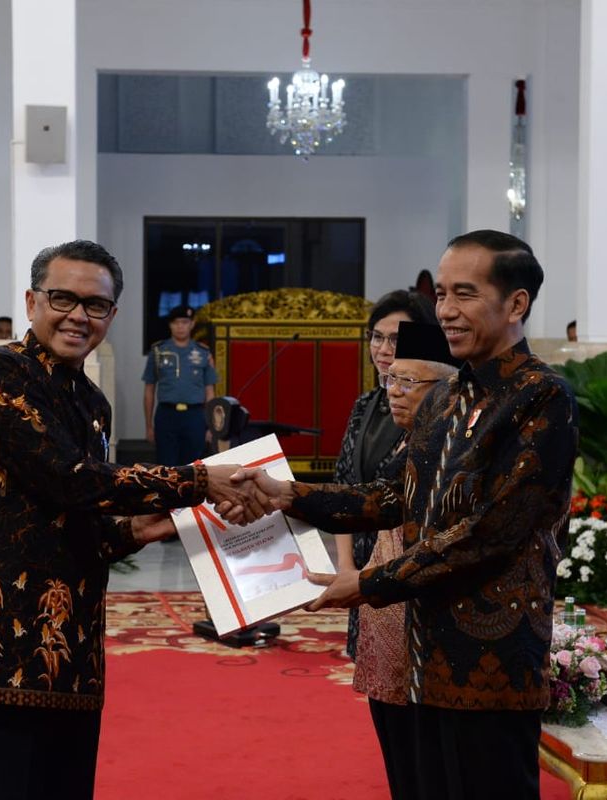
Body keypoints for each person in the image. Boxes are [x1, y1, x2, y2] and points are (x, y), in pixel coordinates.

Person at [228, 230, 579, 800]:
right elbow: (391, 499)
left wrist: (367, 583)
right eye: (440, 294)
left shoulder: (541, 397)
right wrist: (286, 494)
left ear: (517, 303)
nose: (445, 311)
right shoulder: (444, 398)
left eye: (464, 294)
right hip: (419, 654)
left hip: (490, 665)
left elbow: (491, 535)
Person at [0, 240, 262, 800]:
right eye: (62, 298)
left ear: (111, 316)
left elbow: (82, 518)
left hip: (73, 648)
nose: (77, 315)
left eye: (95, 305)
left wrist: (154, 527)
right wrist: (197, 482)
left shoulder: (91, 402)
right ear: (31, 300)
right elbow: (68, 478)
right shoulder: (5, 372)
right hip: (2, 643)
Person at [353, 320, 458, 800]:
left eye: (407, 383)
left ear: (447, 385)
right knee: (395, 745)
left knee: (431, 757)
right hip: (382, 609)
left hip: (426, 616)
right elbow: (359, 498)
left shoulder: (456, 446)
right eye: (390, 380)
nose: (393, 392)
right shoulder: (399, 435)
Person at [332, 290, 436, 661]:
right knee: (370, 677)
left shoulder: (435, 407)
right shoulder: (365, 404)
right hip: (361, 566)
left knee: (404, 677)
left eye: (396, 338)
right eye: (377, 336)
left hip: (405, 569)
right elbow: (344, 485)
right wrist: (346, 567)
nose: (383, 348)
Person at [142, 305, 217, 465]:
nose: (180, 326)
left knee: (193, 467)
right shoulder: (158, 351)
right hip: (166, 415)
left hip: (195, 416)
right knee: (166, 467)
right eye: (176, 322)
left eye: (184, 322)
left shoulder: (204, 353)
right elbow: (149, 390)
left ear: (192, 324)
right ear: (170, 325)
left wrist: (211, 426)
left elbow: (210, 392)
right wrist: (148, 426)